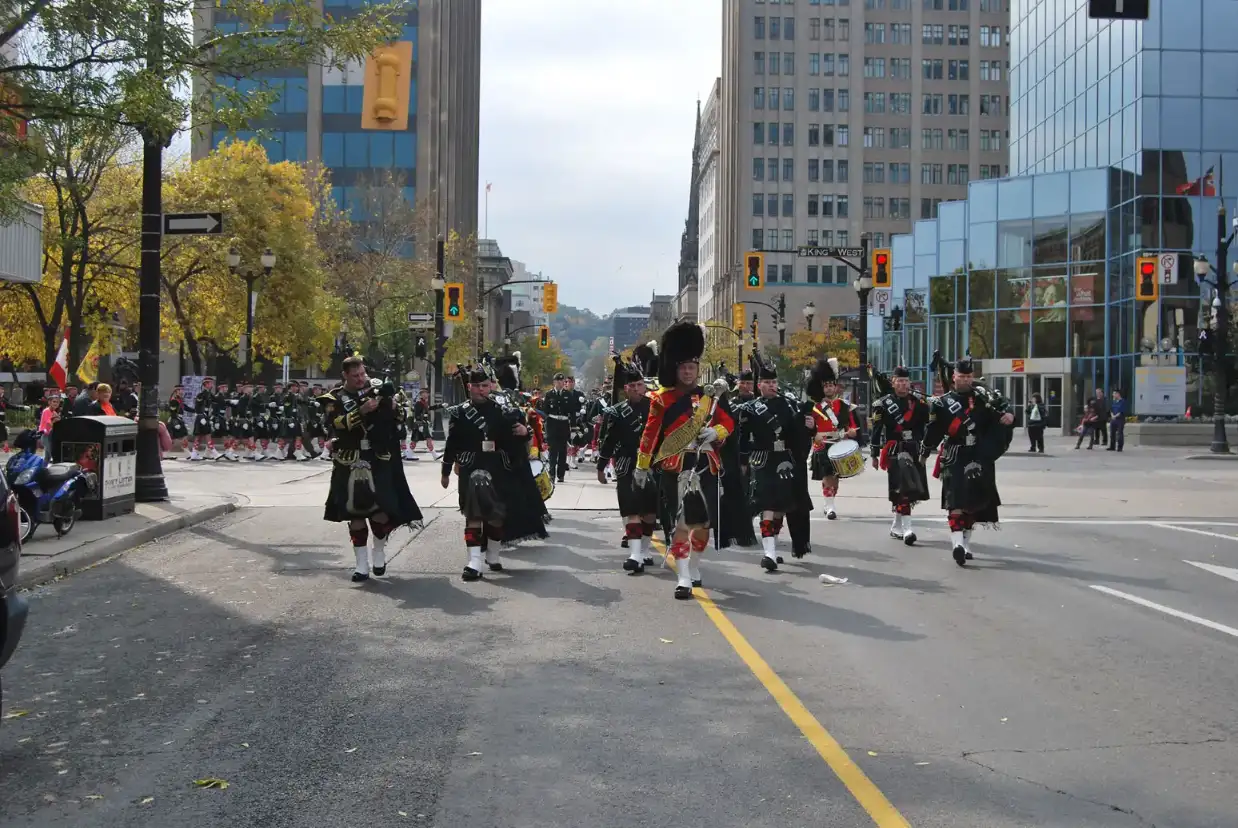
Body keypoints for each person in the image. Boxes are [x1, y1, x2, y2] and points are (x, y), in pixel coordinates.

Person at [634, 322, 735, 600]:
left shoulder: (709, 397)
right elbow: (650, 434)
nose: (688, 372)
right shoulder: (662, 399)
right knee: (679, 524)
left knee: (703, 525)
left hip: (705, 464)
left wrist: (716, 431)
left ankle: (693, 566)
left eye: (692, 367)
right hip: (675, 465)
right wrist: (642, 465)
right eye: (683, 368)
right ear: (675, 369)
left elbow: (728, 422)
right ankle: (682, 577)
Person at [321, 356, 423, 582]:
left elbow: (403, 416)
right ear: (345, 375)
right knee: (355, 513)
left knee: (380, 511)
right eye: (355, 376)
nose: (360, 379)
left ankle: (378, 551)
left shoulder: (376, 390)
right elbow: (336, 423)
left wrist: (393, 406)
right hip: (349, 460)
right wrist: (361, 411)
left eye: (362, 374)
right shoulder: (335, 398)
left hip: (378, 459)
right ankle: (361, 565)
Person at [441, 363, 546, 581]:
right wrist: (446, 470)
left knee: (496, 515)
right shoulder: (460, 413)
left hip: (497, 467)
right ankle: (474, 562)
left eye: (484, 385)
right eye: (476, 385)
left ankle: (493, 554)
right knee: (473, 515)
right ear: (469, 386)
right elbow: (452, 443)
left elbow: (516, 439)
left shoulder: (503, 412)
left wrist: (525, 432)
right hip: (471, 467)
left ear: (490, 386)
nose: (480, 389)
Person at [921, 357, 1015, 567]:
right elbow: (934, 430)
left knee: (973, 504)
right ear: (953, 377)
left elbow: (1002, 411)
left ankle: (965, 543)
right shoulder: (942, 403)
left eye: (968, 376)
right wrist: (924, 451)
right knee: (955, 501)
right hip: (955, 455)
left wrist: (1010, 415)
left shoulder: (984, 398)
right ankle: (957, 545)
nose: (965, 380)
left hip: (979, 454)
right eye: (961, 376)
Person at [735, 352, 816, 572]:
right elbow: (743, 438)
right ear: (759, 385)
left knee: (781, 508)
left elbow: (799, 433)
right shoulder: (750, 408)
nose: (771, 385)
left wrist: (811, 427)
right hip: (763, 461)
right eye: (767, 382)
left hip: (786, 461)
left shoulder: (790, 405)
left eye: (774, 382)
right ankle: (769, 553)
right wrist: (743, 461)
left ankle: (773, 547)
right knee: (767, 506)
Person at [596, 355, 659, 573]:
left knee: (650, 513)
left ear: (644, 386)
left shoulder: (656, 408)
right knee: (631, 509)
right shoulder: (616, 412)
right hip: (626, 465)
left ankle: (644, 550)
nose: (636, 389)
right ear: (625, 389)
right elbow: (609, 441)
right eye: (632, 386)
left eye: (639, 385)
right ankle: (634, 555)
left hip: (652, 465)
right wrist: (601, 466)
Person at [869, 366, 931, 545]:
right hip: (895, 450)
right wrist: (874, 454)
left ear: (909, 382)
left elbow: (928, 425)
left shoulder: (918, 402)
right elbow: (877, 431)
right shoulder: (883, 404)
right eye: (900, 381)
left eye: (906, 381)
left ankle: (896, 527)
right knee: (903, 488)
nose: (903, 384)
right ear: (893, 383)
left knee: (909, 489)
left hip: (914, 449)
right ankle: (907, 529)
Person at [807, 358, 859, 519]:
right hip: (822, 444)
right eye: (826, 386)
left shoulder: (844, 405)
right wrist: (814, 435)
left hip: (839, 444)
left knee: (835, 479)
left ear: (836, 387)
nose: (829, 388)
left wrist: (851, 431)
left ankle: (829, 502)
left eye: (831, 385)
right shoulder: (815, 407)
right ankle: (830, 506)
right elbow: (810, 427)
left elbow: (852, 425)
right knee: (828, 476)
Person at [539, 373, 573, 483]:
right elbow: (545, 410)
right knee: (552, 450)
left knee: (563, 451)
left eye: (562, 381)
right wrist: (545, 424)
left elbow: (572, 411)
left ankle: (561, 475)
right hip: (552, 423)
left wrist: (573, 427)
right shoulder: (549, 394)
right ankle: (552, 474)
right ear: (554, 382)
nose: (560, 383)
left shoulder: (568, 394)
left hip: (563, 423)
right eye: (557, 381)